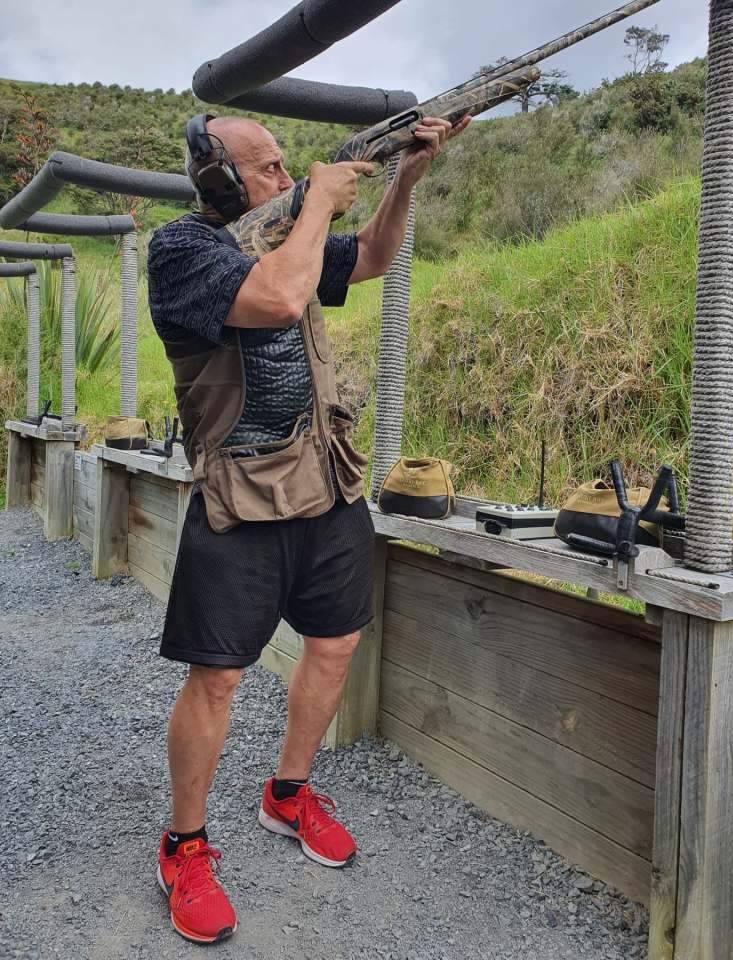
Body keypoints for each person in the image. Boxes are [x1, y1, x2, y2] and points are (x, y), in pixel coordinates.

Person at [146, 110, 469, 944]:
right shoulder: (183, 252)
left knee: (336, 643)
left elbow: (368, 259)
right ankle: (184, 845)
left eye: (290, 164)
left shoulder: (284, 229)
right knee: (217, 678)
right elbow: (281, 296)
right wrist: (320, 197)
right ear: (220, 181)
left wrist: (404, 177)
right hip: (237, 497)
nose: (286, 178)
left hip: (326, 484)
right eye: (267, 169)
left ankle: (288, 793)